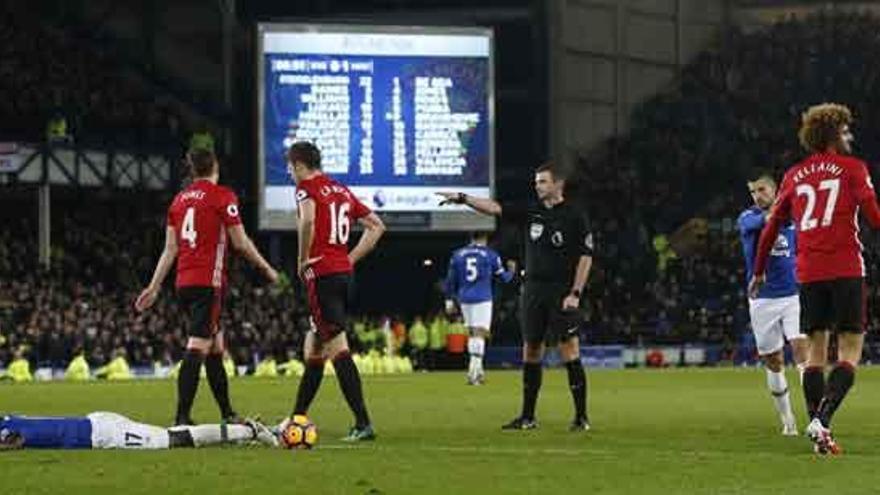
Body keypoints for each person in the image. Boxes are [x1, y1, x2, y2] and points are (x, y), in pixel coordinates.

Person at [750, 103, 880, 455]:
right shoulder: (853, 168)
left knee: (815, 355)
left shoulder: (794, 175)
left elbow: (770, 229)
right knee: (851, 351)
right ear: (835, 134)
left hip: (808, 274)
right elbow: (874, 217)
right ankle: (821, 420)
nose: (850, 135)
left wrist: (758, 271)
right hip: (846, 268)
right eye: (847, 130)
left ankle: (818, 433)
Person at [438, 161, 593, 431]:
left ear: (558, 184)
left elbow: (586, 257)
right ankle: (527, 417)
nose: (537, 186)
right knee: (531, 350)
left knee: (569, 349)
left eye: (543, 181)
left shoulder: (574, 216)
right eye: (536, 182)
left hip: (561, 291)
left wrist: (575, 292)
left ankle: (581, 418)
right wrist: (463, 199)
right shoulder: (531, 211)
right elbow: (495, 208)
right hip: (532, 289)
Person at [135, 149, 279, 426]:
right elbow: (240, 243)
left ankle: (227, 413)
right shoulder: (222, 196)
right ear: (215, 167)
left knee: (215, 347)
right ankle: (181, 417)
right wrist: (266, 268)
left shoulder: (179, 201)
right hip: (208, 282)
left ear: (192, 170)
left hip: (183, 283)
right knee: (198, 346)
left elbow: (170, 249)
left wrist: (153, 287)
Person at [286, 141, 386, 442]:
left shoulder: (307, 188)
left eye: (291, 168)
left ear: (301, 165)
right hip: (342, 274)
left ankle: (363, 422)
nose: (291, 174)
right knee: (314, 348)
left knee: (337, 347)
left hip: (322, 275)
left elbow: (307, 220)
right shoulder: (340, 190)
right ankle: (297, 417)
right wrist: (350, 259)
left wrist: (303, 259)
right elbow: (377, 226)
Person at [737, 172, 808, 436]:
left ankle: (817, 419)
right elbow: (768, 220)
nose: (757, 196)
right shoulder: (747, 219)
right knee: (774, 361)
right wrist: (786, 207)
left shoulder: (793, 225)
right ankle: (787, 419)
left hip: (792, 297)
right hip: (762, 300)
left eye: (762, 190)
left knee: (803, 354)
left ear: (774, 191)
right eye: (754, 192)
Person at [443, 231, 515, 385]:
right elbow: (505, 279)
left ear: (471, 238)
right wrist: (512, 271)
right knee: (480, 334)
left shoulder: (457, 254)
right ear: (485, 239)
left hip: (464, 298)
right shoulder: (491, 254)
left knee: (472, 334)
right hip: (482, 298)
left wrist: (449, 300)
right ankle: (472, 373)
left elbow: (450, 280)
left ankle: (479, 371)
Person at [0, 412, 277, 450]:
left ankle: (249, 431)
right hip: (95, 425)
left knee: (174, 440)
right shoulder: (6, 419)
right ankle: (241, 432)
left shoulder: (6, 427)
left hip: (103, 434)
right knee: (174, 433)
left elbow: (15, 440)